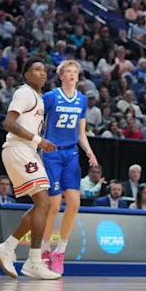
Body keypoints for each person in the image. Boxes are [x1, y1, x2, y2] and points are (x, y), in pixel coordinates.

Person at [0, 58, 60, 280]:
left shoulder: (38, 98)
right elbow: (8, 124)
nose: (42, 73)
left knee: (43, 204)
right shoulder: (24, 92)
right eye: (37, 69)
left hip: (26, 150)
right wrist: (39, 141)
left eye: (44, 70)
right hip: (18, 148)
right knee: (44, 203)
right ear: (27, 75)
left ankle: (8, 248)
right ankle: (33, 261)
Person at [39, 60, 98, 275]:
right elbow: (37, 121)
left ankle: (59, 252)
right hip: (52, 153)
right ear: (61, 76)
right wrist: (37, 141)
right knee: (53, 206)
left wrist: (89, 151)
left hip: (71, 153)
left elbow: (81, 133)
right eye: (69, 72)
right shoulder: (51, 97)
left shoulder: (82, 100)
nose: (72, 75)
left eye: (75, 72)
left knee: (74, 203)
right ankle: (44, 249)